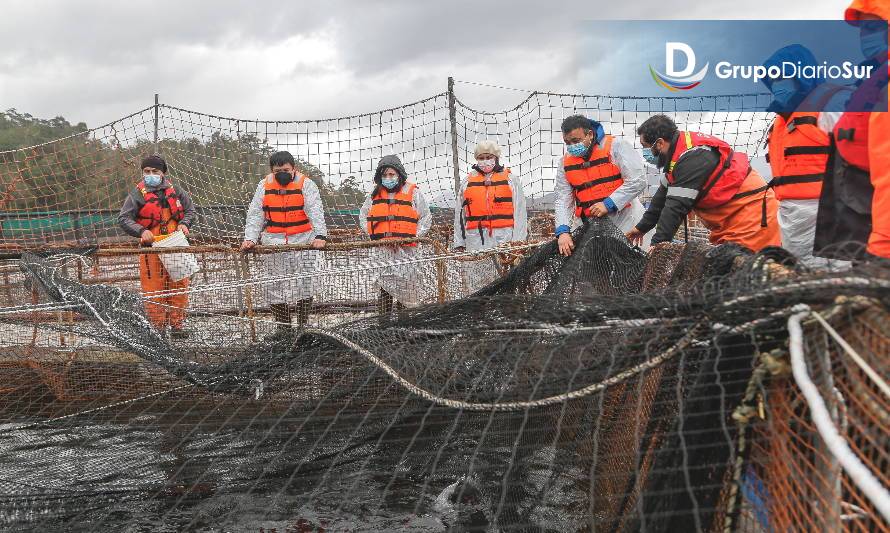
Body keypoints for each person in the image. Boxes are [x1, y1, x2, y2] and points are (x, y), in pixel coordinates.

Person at [626, 115, 781, 252]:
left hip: (751, 219)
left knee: (749, 276)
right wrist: (641, 228)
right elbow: (660, 199)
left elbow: (675, 207)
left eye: (645, 147)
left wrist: (657, 246)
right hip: (728, 222)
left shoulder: (693, 157)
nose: (645, 153)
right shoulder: (675, 160)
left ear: (659, 144)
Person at [761, 45, 853, 268]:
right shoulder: (781, 119)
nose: (777, 85)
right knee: (800, 283)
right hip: (791, 218)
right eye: (772, 80)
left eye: (782, 77)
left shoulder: (833, 104)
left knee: (834, 283)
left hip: (829, 215)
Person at [814, 0, 889, 261]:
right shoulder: (874, 82)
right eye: (862, 30)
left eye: (872, 27)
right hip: (864, 218)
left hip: (879, 232)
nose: (865, 37)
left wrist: (883, 249)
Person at [241, 151, 327, 335]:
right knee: (274, 286)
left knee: (306, 283)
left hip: (304, 240)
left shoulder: (307, 184)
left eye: (286, 170)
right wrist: (250, 238)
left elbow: (316, 210)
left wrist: (320, 235)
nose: (282, 173)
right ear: (272, 170)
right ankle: (284, 329)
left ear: (294, 168)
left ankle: (303, 326)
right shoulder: (263, 185)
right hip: (274, 241)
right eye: (278, 170)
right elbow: (256, 214)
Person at [118, 154, 197, 337]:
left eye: (155, 171)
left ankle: (177, 326)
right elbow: (124, 218)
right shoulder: (137, 194)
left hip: (176, 243)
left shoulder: (176, 190)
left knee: (179, 286)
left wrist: (185, 223)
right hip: (151, 247)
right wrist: (140, 231)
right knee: (153, 289)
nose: (150, 174)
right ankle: (158, 328)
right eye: (147, 171)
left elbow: (190, 211)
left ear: (163, 173)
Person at [554, 115, 650, 256]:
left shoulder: (616, 146)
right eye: (567, 142)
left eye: (576, 141)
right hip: (588, 227)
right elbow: (563, 198)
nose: (572, 146)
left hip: (625, 220)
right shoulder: (564, 162)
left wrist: (608, 204)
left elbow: (638, 180)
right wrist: (563, 231)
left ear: (590, 134)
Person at [359, 155, 433, 316]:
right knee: (384, 291)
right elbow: (364, 218)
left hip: (407, 253)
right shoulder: (373, 195)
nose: (388, 178)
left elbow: (425, 219)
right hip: (382, 253)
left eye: (391, 174)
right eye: (384, 175)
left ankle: (404, 327)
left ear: (399, 174)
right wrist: (379, 239)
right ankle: (383, 326)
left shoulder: (413, 192)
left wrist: (409, 238)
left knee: (406, 289)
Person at [453, 140, 528, 252]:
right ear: (477, 159)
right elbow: (460, 214)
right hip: (474, 240)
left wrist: (519, 241)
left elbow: (520, 213)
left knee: (507, 269)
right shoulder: (467, 182)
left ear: (496, 157)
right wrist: (459, 242)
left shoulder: (511, 180)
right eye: (481, 158)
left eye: (488, 157)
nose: (485, 161)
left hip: (505, 238)